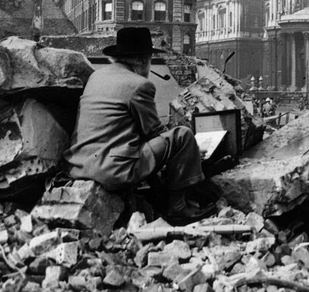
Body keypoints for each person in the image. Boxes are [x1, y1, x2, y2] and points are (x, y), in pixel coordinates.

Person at [64, 27, 215, 226]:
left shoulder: (96, 77)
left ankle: (160, 199)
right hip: (112, 171)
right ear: (143, 60)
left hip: (79, 166)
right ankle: (178, 209)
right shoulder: (139, 85)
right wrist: (193, 150)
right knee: (183, 136)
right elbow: (155, 133)